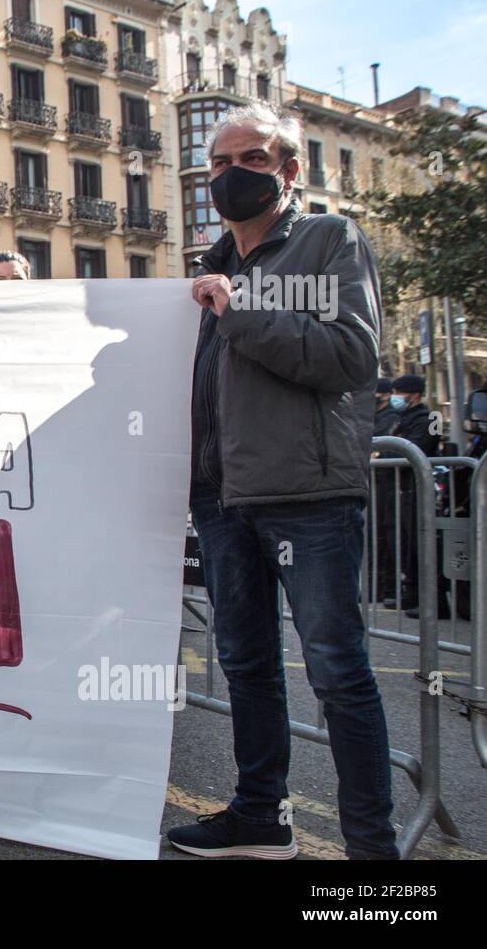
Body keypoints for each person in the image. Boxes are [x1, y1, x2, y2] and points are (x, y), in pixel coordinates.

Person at [167, 102, 398, 859]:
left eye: (252, 161)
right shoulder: (209, 265)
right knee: (245, 664)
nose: (232, 176)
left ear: (290, 171)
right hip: (225, 499)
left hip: (308, 498)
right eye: (219, 165)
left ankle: (370, 851)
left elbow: (351, 357)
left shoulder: (330, 241)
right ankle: (260, 816)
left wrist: (239, 313)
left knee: (336, 672)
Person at [385, 374, 443, 618]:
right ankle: (412, 593)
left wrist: (387, 454)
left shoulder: (433, 417)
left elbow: (420, 446)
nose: (394, 397)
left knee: (425, 544)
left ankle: (437, 600)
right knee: (409, 544)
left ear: (414, 394)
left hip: (421, 487)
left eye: (399, 392)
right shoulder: (401, 418)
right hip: (403, 487)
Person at [370, 377, 400, 603]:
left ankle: (389, 589)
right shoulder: (371, 416)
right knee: (375, 537)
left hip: (392, 486)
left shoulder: (394, 417)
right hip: (376, 484)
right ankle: (377, 587)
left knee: (389, 538)